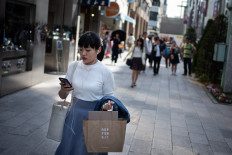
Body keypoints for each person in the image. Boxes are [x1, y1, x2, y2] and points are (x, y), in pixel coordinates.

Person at [55, 31, 115, 155]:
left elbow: (110, 100)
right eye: (81, 49)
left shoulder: (105, 72)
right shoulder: (74, 66)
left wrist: (107, 106)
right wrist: (63, 90)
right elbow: (62, 95)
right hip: (74, 116)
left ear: (98, 49)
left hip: (96, 117)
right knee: (69, 149)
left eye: (87, 50)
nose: (83, 54)